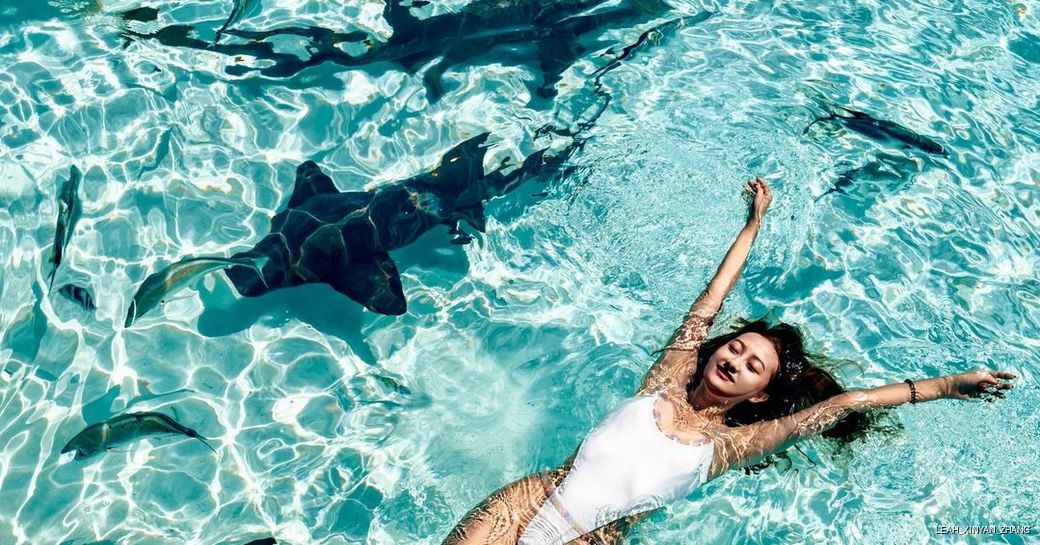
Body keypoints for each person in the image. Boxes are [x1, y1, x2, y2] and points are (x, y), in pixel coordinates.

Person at [441, 177, 1017, 545]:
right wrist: (753, 227)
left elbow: (844, 403)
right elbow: (709, 302)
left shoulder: (729, 449)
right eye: (734, 348)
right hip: (525, 503)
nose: (735, 360)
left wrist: (948, 385)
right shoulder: (664, 383)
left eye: (752, 366)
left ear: (760, 394)